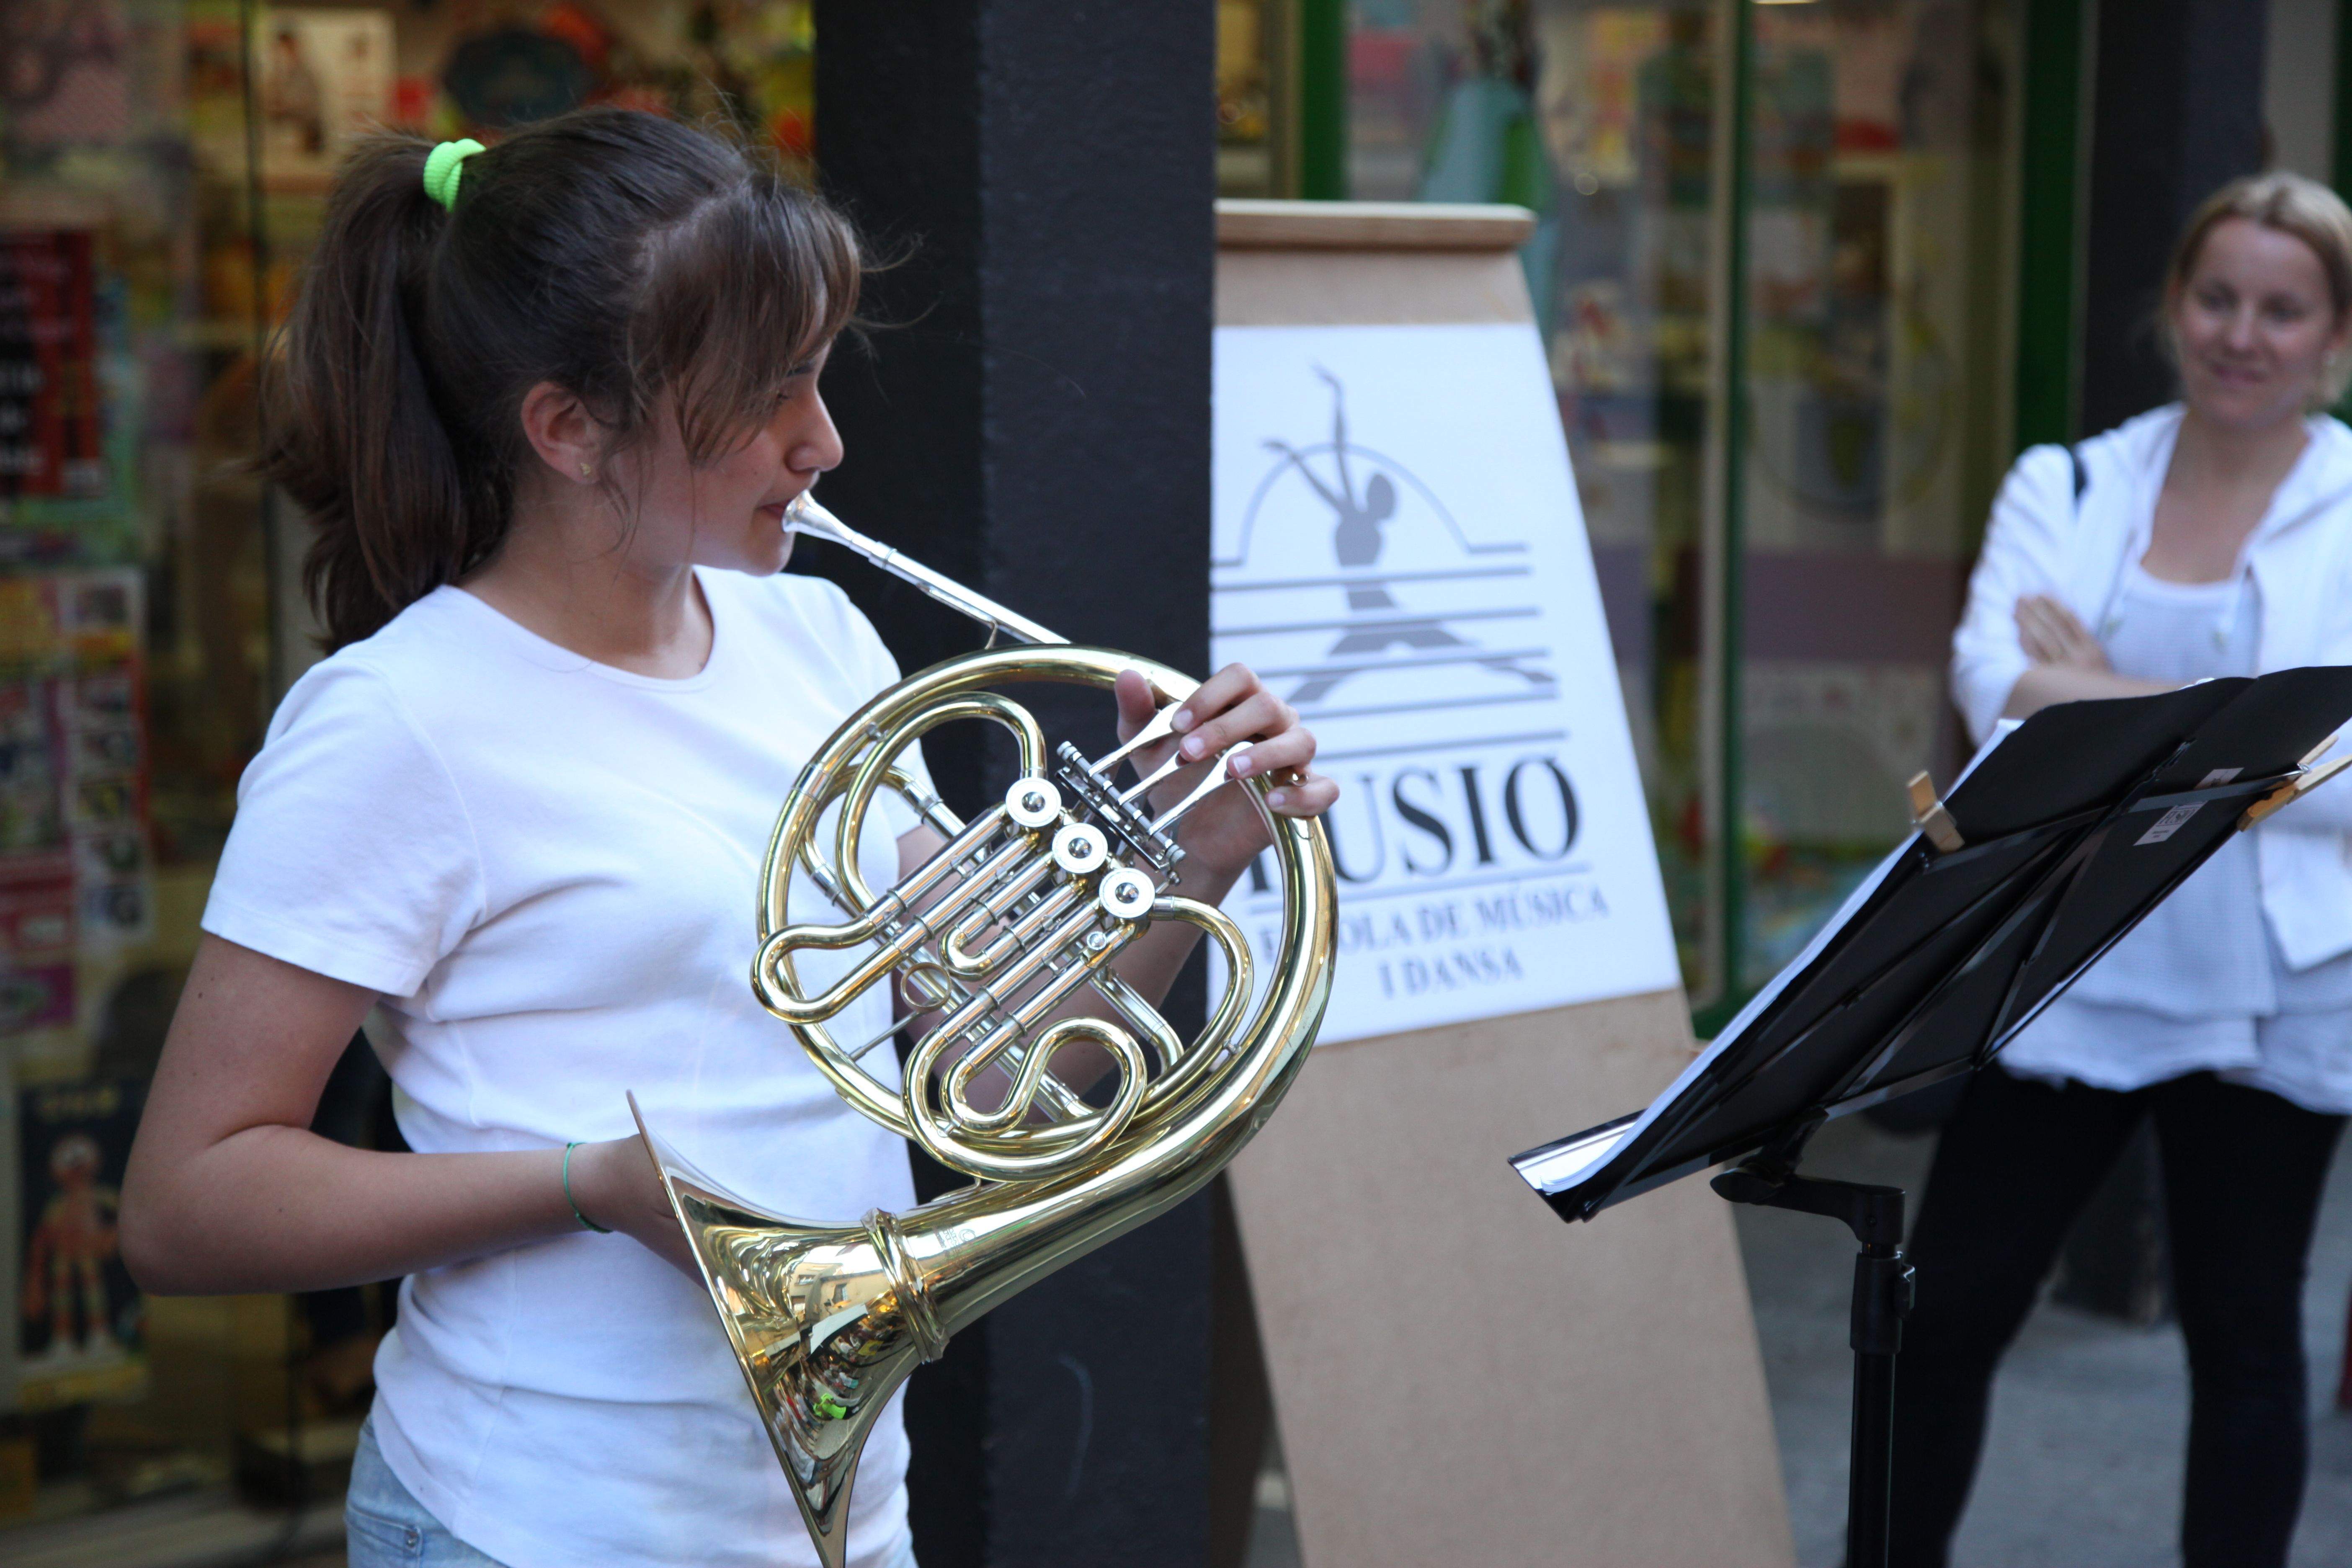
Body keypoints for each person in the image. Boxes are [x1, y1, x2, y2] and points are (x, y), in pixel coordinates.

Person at [116, 108, 1337, 1568]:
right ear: (569, 429)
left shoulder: (816, 636)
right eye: (766, 394)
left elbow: (989, 1079)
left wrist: (1196, 854)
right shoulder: (397, 720)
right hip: (529, 1523)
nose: (824, 440)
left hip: (842, 1520)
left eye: (816, 372)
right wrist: (586, 1187)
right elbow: (186, 1207)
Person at [1896, 171, 2352, 1568]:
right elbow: (1992, 690)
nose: (2242, 335)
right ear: (2173, 306)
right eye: (2217, 298)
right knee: (1946, 1311)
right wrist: (2248, 737)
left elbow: (2346, 774)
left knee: (2245, 1338)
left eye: (2283, 310)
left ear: (2336, 335)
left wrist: (2099, 693)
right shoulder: (2073, 482)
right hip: (2070, 961)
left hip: (2277, 991)